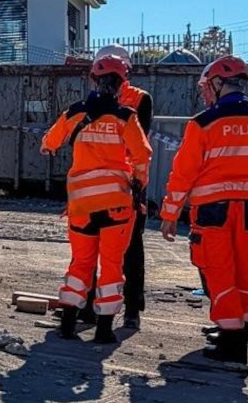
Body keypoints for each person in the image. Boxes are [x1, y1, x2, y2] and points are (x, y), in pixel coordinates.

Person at [160, 55, 248, 367]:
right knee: (244, 272)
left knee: (219, 274)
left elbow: (183, 175)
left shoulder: (202, 124)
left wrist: (170, 214)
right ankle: (238, 339)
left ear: (216, 84)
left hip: (212, 215)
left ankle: (229, 346)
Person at [41, 55, 151, 344]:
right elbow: (143, 155)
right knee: (113, 265)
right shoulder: (126, 117)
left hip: (81, 206)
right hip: (116, 205)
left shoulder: (74, 112)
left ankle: (67, 323)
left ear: (93, 80)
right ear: (122, 84)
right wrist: (139, 183)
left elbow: (49, 143)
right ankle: (104, 330)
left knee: (81, 264)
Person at [89, 44, 154, 330]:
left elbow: (138, 144)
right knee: (91, 246)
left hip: (126, 183)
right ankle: (90, 307)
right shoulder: (94, 100)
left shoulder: (139, 99)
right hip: (97, 183)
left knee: (130, 248)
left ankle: (131, 308)